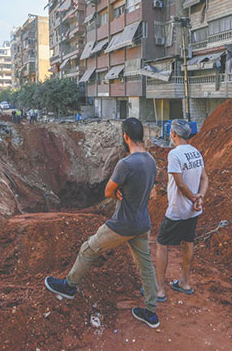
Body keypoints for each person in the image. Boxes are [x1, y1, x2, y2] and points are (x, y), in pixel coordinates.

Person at [45, 118, 160, 328]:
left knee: (88, 249)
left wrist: (117, 192)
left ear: (125, 136)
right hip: (143, 223)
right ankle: (151, 312)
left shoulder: (126, 164)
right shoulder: (150, 160)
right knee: (146, 268)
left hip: (123, 224)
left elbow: (108, 191)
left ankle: (69, 286)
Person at [155, 119, 208, 300]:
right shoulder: (196, 152)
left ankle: (160, 289)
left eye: (171, 132)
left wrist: (194, 197)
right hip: (194, 210)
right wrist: (199, 198)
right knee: (188, 242)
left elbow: (179, 183)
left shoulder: (174, 154)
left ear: (174, 134)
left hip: (177, 210)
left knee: (162, 244)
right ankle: (185, 282)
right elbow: (205, 179)